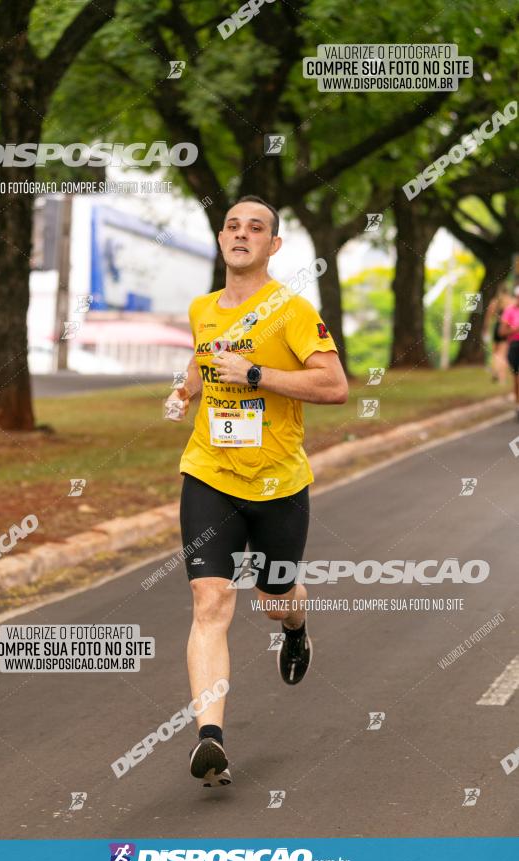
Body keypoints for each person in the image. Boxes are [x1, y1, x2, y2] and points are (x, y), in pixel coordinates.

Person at [164, 195, 348, 786]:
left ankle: (295, 630)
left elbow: (335, 386)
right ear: (221, 239)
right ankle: (210, 739)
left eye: (257, 228)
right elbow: (201, 358)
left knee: (274, 600)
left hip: (277, 483)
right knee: (211, 600)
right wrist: (185, 392)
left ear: (274, 246)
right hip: (210, 473)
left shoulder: (293, 312)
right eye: (233, 226)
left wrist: (257, 375)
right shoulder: (202, 307)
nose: (242, 234)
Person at [483, 283, 513, 383]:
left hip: (496, 328)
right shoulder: (510, 301)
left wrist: (486, 330)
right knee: (503, 354)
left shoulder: (494, 302)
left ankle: (495, 371)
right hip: (505, 329)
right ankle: (501, 377)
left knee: (495, 353)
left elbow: (488, 318)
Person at [499, 285, 519, 419]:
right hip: (515, 346)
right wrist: (515, 329)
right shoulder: (510, 311)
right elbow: (502, 332)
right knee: (517, 379)